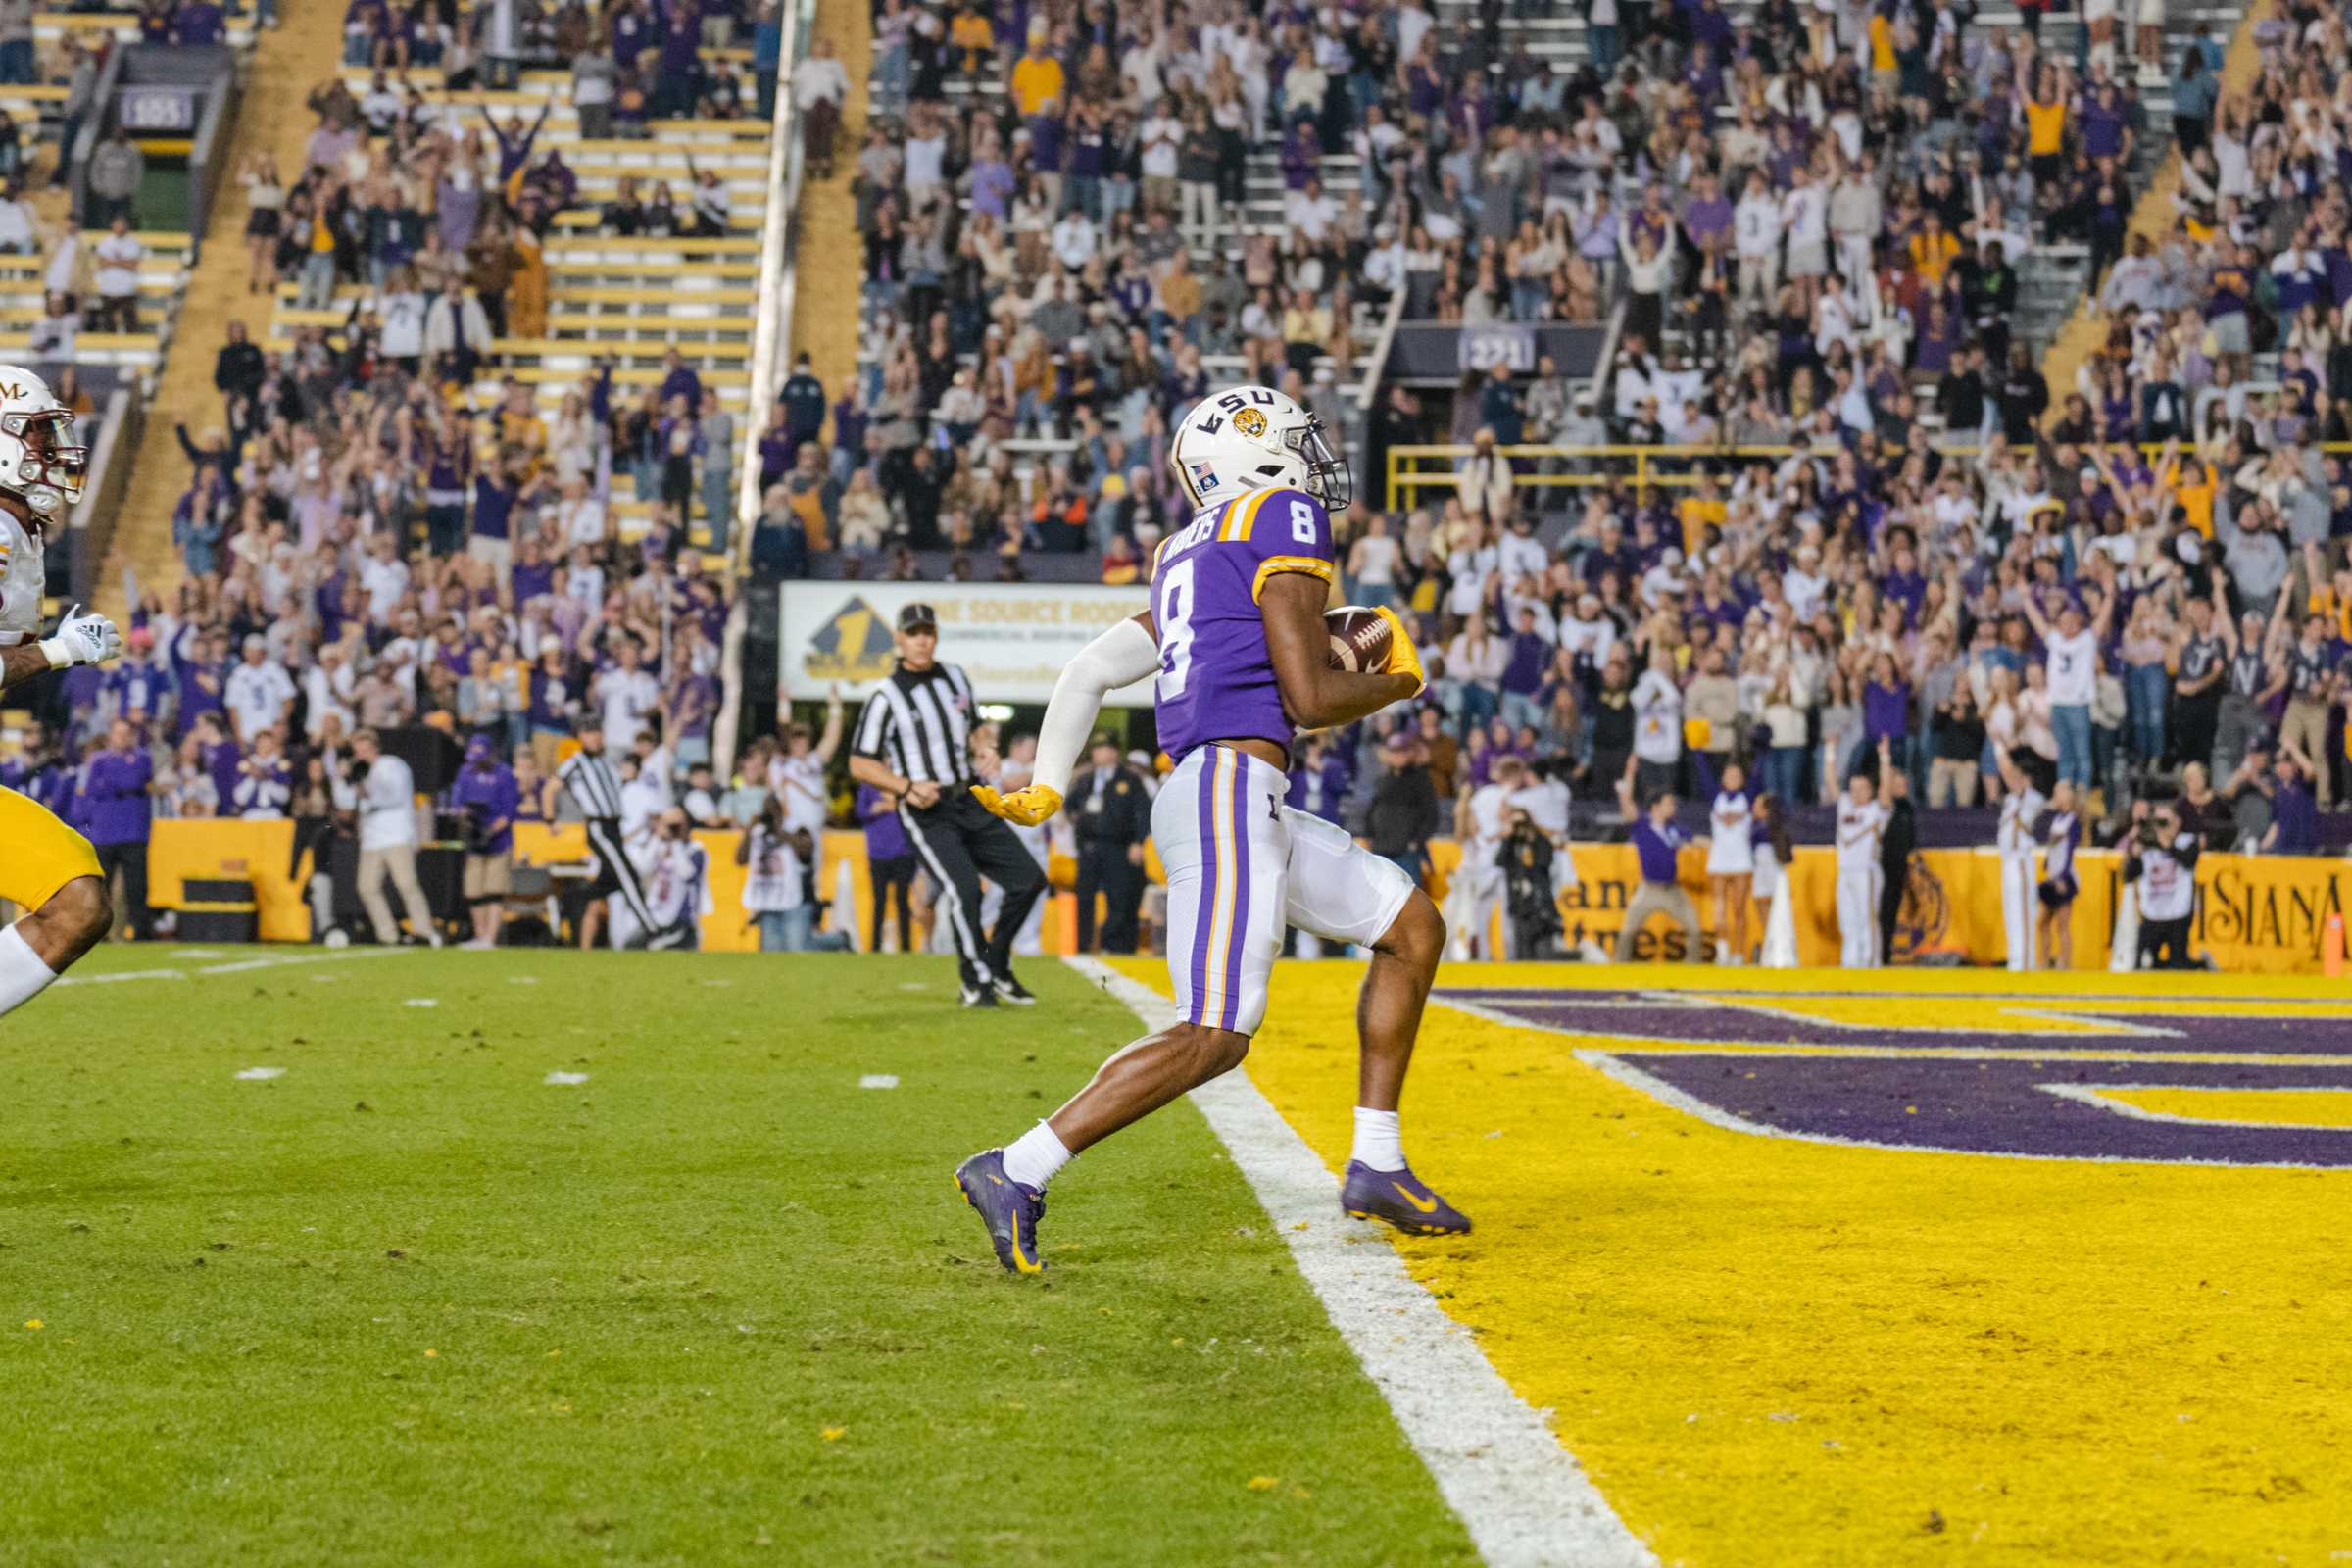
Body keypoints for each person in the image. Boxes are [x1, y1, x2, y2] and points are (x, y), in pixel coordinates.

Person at [959, 382, 1458, 1273]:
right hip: (1230, 788)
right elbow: (1308, 696)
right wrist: (1395, 679)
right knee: (1214, 1033)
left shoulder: (1187, 549)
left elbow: (1086, 671)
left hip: (1230, 792)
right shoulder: (1285, 511)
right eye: (1299, 444)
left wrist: (1047, 786)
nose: (1312, 462)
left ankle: (1377, 1161)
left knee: (1409, 925)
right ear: (1260, 458)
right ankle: (1016, 1167)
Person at [847, 602, 1046, 1007]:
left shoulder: (955, 677)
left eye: (928, 632)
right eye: (913, 633)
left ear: (935, 636)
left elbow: (975, 729)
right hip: (925, 809)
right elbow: (859, 762)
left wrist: (987, 748)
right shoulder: (885, 697)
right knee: (964, 889)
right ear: (899, 640)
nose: (922, 640)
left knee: (1029, 879)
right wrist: (904, 786)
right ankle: (975, 982)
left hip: (968, 796)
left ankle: (996, 961)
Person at [557, 718, 658, 949]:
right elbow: (552, 786)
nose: (594, 737)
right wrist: (551, 820)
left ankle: (571, 900)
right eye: (589, 732)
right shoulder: (576, 762)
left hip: (614, 827)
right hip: (598, 825)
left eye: (597, 732)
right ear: (581, 736)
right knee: (628, 876)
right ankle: (652, 929)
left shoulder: (606, 762)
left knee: (607, 884)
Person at [334, 728, 441, 948]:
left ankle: (424, 931)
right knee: (366, 886)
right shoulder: (359, 771)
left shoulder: (392, 765)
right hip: (372, 837)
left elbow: (389, 795)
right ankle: (388, 934)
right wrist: (344, 778)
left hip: (396, 834)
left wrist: (364, 779)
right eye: (358, 750)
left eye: (365, 749)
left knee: (406, 883)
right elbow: (343, 800)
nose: (361, 754)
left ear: (375, 748)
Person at [1064, 732, 1150, 953]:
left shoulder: (1129, 780)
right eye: (1095, 749)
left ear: (1113, 752)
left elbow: (1142, 812)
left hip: (1118, 846)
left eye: (1102, 749)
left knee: (1118, 896)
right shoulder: (1085, 779)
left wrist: (1138, 842)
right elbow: (1070, 805)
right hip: (1089, 846)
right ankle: (1083, 945)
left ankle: (1111, 944)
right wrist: (1078, 820)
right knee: (1084, 896)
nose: (1097, 753)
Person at [1613, 780, 1700, 961]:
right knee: (1627, 931)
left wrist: (1719, 844)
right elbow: (1628, 809)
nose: (1673, 806)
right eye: (1668, 803)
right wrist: (1624, 789)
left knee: (1694, 929)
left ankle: (1693, 973)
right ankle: (1619, 970)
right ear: (1656, 806)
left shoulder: (1674, 827)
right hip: (1649, 889)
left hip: (1672, 889)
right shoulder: (1643, 825)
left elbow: (1695, 839)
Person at [449, 734, 518, 949]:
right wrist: (466, 819)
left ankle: (491, 936)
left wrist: (491, 829)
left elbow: (509, 811)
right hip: (473, 839)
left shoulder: (504, 774)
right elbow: (456, 803)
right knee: (474, 889)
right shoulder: (465, 772)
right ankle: (480, 934)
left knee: (494, 889)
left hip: (499, 840)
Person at [1992, 743, 2047, 973]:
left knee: (2024, 912)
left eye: (2020, 776)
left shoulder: (2034, 798)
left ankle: (2025, 961)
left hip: (2021, 859)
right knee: (2011, 911)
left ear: (2027, 779)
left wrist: (1998, 746)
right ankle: (2015, 959)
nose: (2014, 780)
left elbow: (2008, 774)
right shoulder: (2011, 800)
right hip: (2007, 862)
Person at [1834, 751, 1890, 969]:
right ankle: (1850, 961)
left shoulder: (1876, 810)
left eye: (1861, 789)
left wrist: (1884, 760)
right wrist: (1831, 753)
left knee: (1867, 917)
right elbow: (1831, 783)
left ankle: (1869, 960)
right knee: (1846, 917)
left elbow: (1886, 792)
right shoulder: (1845, 805)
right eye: (1853, 788)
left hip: (1865, 870)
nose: (1856, 793)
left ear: (1870, 791)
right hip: (1845, 870)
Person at [2128, 800, 2201, 969]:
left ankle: (2201, 965)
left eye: (2165, 822)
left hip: (2178, 914)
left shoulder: (2187, 841)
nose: (2161, 827)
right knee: (2141, 964)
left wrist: (2168, 844)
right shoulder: (2146, 844)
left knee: (2178, 965)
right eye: (2158, 822)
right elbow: (2129, 876)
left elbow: (2189, 861)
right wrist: (2134, 854)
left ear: (2177, 821)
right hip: (2152, 914)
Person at [1704, 758, 1752, 965]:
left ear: (1742, 780)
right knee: (1719, 909)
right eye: (1729, 775)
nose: (1732, 779)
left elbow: (1758, 774)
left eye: (1737, 776)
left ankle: (1739, 953)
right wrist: (1697, 751)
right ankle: (1722, 950)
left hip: (1741, 859)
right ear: (1723, 779)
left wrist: (1760, 754)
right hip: (1720, 858)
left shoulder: (1747, 799)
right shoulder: (1717, 798)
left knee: (1739, 910)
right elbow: (1704, 775)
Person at [1875, 739, 1915, 966]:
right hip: (1885, 868)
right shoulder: (1888, 807)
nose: (1903, 787)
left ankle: (1887, 954)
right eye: (1898, 783)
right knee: (1883, 913)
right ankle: (1880, 955)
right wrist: (1885, 758)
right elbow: (1884, 791)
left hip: (1900, 868)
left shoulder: (1908, 807)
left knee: (1895, 913)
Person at [2037, 779, 2081, 970]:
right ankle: (2044, 961)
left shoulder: (2073, 821)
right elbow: (2054, 846)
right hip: (2053, 876)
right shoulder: (2057, 819)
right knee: (2042, 922)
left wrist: (2062, 876)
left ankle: (2065, 963)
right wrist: (2047, 862)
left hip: (2064, 877)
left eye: (2057, 793)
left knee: (2062, 924)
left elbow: (2070, 850)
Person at [1751, 792, 1798, 968]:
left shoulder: (1761, 830)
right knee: (1774, 915)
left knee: (1772, 914)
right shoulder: (1777, 829)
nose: (1753, 807)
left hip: (1769, 874)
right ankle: (1772, 949)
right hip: (1772, 874)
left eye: (1757, 805)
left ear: (1766, 811)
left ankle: (1773, 950)